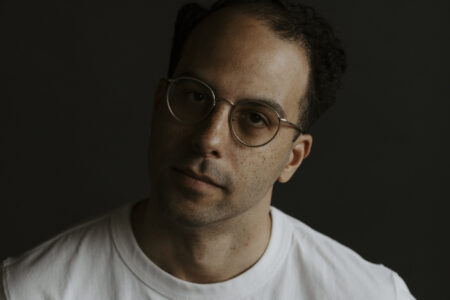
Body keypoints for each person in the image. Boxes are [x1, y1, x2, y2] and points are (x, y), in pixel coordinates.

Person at [0, 0, 416, 299]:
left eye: (255, 118)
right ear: (158, 104)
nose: (208, 139)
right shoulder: (32, 290)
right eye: (196, 97)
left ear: (292, 157)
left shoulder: (369, 294)